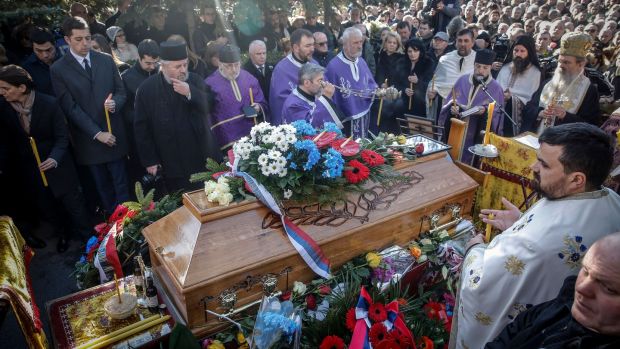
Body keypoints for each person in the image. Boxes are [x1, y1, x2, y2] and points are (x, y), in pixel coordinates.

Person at [455, 122, 620, 349]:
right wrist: (521, 221)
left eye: (543, 164)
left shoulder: (532, 245)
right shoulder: (609, 199)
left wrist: (474, 249)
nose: (533, 167)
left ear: (576, 180)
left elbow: (480, 284)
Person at [0, 65, 91, 252]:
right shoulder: (4, 109)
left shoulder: (49, 104)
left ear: (22, 88)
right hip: (31, 170)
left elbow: (61, 137)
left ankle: (89, 240)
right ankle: (63, 235)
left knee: (74, 205)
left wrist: (54, 158)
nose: (2, 93)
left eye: (6, 88)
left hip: (58, 167)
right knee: (49, 207)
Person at [486, 232, 620, 348]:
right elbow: (515, 329)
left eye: (608, 288)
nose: (580, 288)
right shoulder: (564, 302)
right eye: (585, 271)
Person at [50, 16, 129, 215]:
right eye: (78, 39)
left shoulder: (105, 59)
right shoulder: (58, 69)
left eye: (87, 38)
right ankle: (114, 234)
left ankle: (132, 228)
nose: (85, 43)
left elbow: (121, 92)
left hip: (114, 134)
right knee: (104, 190)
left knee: (123, 188)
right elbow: (70, 107)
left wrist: (115, 104)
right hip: (89, 141)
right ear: (67, 40)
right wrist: (97, 133)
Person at [134, 41, 215, 192]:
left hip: (200, 155)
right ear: (163, 66)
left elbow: (211, 103)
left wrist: (191, 92)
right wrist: (150, 160)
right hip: (170, 159)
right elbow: (141, 129)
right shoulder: (147, 89)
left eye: (185, 64)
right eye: (177, 66)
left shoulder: (195, 80)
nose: (183, 70)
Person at [524, 33, 601, 134]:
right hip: (537, 137)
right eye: (560, 61)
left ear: (581, 64)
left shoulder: (588, 90)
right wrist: (540, 113)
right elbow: (529, 107)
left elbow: (591, 125)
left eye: (566, 62)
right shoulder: (547, 83)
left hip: (566, 144)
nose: (561, 66)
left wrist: (565, 116)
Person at [438, 49, 504, 164]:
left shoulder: (496, 88)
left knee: (471, 163)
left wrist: (485, 111)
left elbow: (498, 114)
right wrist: (453, 108)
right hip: (456, 130)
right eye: (478, 66)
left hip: (476, 133)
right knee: (452, 159)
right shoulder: (462, 80)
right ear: (474, 65)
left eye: (485, 68)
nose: (480, 71)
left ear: (490, 68)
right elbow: (449, 101)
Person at [205, 44, 268, 151]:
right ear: (220, 64)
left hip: (252, 137)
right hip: (227, 141)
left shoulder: (249, 79)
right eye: (229, 66)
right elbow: (208, 117)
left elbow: (262, 103)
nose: (234, 69)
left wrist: (258, 107)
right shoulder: (209, 84)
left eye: (237, 64)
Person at [325, 27, 378, 139]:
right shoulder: (334, 66)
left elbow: (370, 85)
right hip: (346, 120)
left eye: (361, 42)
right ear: (345, 44)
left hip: (365, 115)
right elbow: (330, 98)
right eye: (355, 43)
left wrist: (378, 92)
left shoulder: (361, 62)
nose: (360, 46)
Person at [121, 39, 160, 187]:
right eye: (148, 63)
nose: (152, 67)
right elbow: (125, 112)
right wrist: (144, 118)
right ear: (139, 57)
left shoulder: (162, 72)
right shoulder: (127, 77)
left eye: (155, 63)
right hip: (141, 138)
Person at [427, 29, 476, 123]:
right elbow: (436, 81)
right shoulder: (445, 59)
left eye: (466, 41)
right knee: (442, 134)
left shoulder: (478, 61)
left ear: (473, 42)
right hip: (445, 104)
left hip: (468, 107)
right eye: (460, 40)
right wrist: (432, 90)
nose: (462, 44)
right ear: (455, 42)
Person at [496, 35, 542, 136]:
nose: (518, 54)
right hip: (498, 109)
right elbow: (496, 87)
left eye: (522, 51)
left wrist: (512, 98)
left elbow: (531, 100)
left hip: (518, 117)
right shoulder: (505, 68)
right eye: (516, 50)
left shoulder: (535, 73)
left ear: (529, 53)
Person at [269, 29, 316, 125]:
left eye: (313, 44)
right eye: (307, 46)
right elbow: (281, 102)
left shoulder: (314, 63)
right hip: (295, 125)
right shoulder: (281, 70)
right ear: (295, 47)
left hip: (316, 120)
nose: (312, 49)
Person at [281, 63, 343, 128]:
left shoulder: (313, 94)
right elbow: (309, 127)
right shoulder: (293, 105)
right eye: (320, 81)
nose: (324, 84)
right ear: (307, 83)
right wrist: (325, 98)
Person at [372, 31, 407, 134]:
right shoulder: (378, 56)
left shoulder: (401, 59)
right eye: (389, 42)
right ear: (385, 43)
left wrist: (391, 87)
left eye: (394, 43)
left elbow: (402, 78)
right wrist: (380, 84)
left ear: (397, 45)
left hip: (394, 93)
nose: (391, 45)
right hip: (379, 92)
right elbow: (375, 73)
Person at [21, 27, 60, 96]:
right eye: (39, 51)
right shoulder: (27, 68)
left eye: (48, 50)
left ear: (55, 44)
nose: (45, 55)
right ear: (32, 47)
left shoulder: (66, 57)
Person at [403, 38, 435, 118]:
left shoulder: (428, 63)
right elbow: (397, 81)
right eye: (410, 51)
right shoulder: (402, 62)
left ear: (421, 51)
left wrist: (418, 81)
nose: (412, 54)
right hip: (403, 104)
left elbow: (430, 83)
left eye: (416, 51)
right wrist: (404, 89)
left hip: (421, 104)